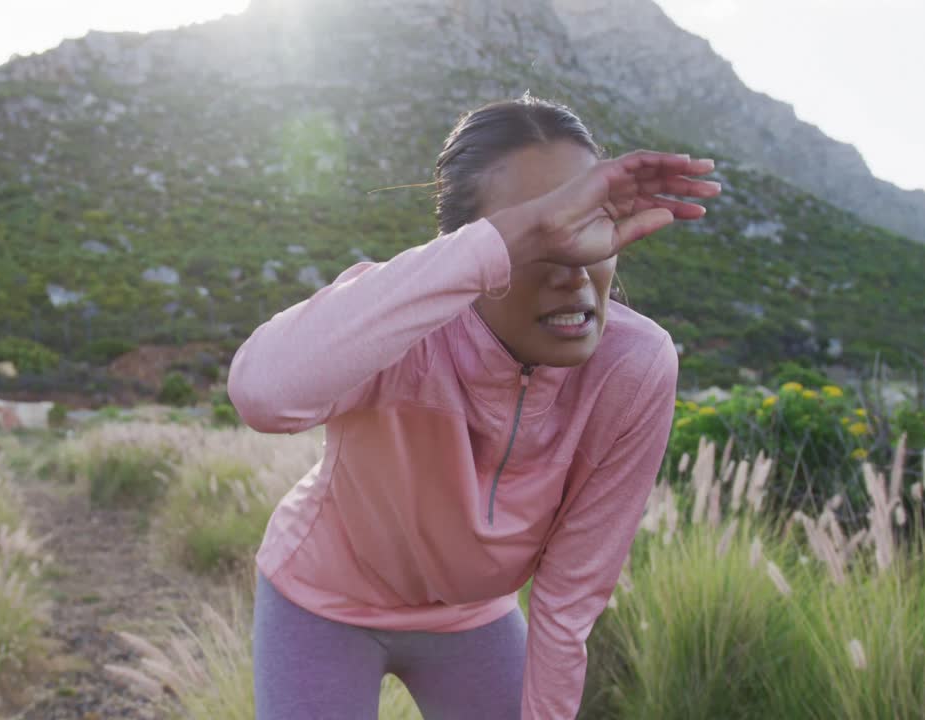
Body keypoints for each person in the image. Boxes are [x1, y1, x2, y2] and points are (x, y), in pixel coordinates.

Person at [227, 95, 722, 719]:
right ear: (475, 248)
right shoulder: (398, 318)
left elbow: (569, 599)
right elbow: (263, 394)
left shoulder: (636, 365)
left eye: (590, 221)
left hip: (474, 620)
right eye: (539, 232)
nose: (572, 265)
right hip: (320, 602)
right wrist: (493, 249)